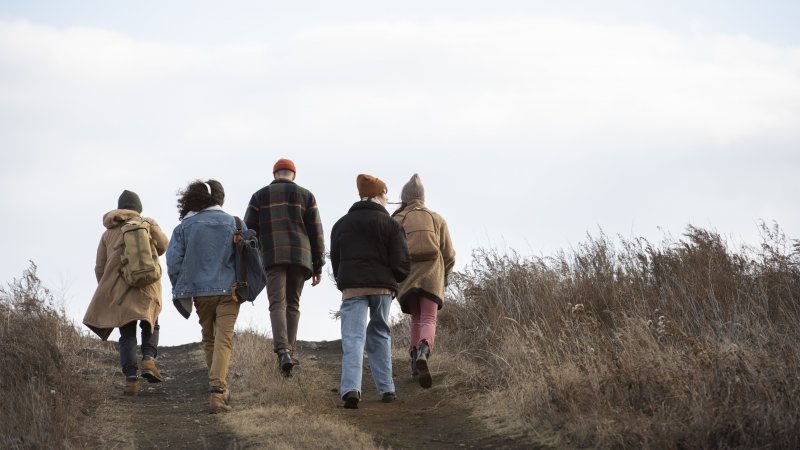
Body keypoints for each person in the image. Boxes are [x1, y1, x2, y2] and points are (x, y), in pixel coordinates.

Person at [330, 174, 410, 408]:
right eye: (386, 193)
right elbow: (402, 262)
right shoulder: (391, 224)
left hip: (353, 287)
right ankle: (387, 389)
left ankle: (351, 389)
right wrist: (394, 279)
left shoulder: (341, 224)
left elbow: (336, 259)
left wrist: (342, 281)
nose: (388, 198)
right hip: (382, 288)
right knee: (380, 334)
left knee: (353, 339)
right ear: (378, 194)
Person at [244, 158, 325, 376]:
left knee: (277, 303)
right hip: (301, 257)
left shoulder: (259, 196)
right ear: (293, 175)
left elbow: (248, 234)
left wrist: (250, 263)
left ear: (275, 174)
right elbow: (316, 232)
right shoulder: (306, 196)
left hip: (272, 256)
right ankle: (292, 351)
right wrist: (318, 265)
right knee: (293, 304)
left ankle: (283, 352)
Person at [83, 190, 169, 395]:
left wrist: (108, 289)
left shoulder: (108, 233)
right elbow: (164, 246)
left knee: (127, 333)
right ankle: (148, 360)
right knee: (151, 321)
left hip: (120, 290)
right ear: (138, 209)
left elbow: (99, 267)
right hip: (147, 284)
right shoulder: (148, 224)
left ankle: (131, 380)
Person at [166, 180, 241, 413]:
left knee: (209, 339)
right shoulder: (234, 223)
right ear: (221, 199)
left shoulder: (184, 227)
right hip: (231, 290)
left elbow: (173, 262)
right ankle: (218, 392)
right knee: (224, 339)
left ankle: (217, 389)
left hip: (200, 292)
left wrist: (181, 285)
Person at [392, 174, 456, 389]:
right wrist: (444, 274)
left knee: (417, 319)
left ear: (405, 197)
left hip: (408, 278)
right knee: (429, 318)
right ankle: (424, 351)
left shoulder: (398, 218)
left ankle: (413, 362)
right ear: (423, 197)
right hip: (432, 277)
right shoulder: (436, 218)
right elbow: (449, 254)